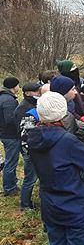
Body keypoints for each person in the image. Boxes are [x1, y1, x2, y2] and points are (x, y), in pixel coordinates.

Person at [28, 91, 84, 245]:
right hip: (75, 205)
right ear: (62, 112)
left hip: (50, 204)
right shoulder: (68, 140)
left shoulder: (33, 137)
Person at [13, 82, 41, 210]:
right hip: (28, 148)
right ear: (28, 93)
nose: (38, 94)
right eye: (36, 92)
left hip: (32, 147)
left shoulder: (31, 105)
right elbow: (23, 132)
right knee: (30, 178)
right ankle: (25, 205)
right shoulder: (23, 109)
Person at [0, 77, 20, 197]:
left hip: (4, 134)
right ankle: (9, 188)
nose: (19, 87)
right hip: (10, 135)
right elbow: (10, 119)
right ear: (13, 86)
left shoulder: (3, 97)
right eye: (18, 85)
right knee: (11, 162)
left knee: (10, 161)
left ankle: (12, 184)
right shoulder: (8, 100)